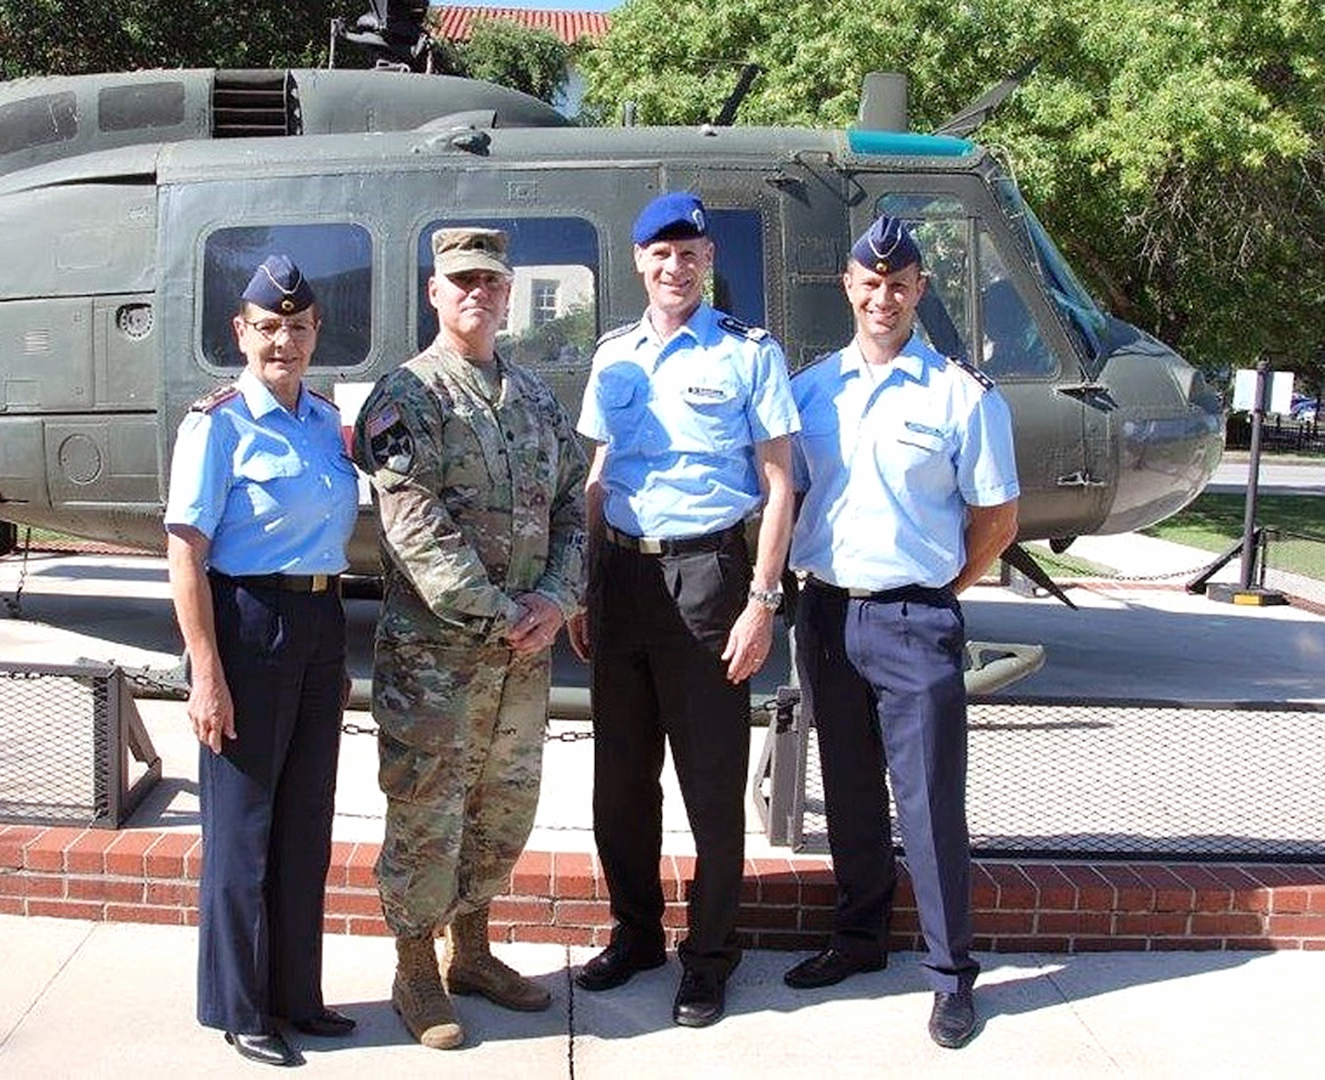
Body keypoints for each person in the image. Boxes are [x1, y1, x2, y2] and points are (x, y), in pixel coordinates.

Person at [782, 215, 1019, 1049]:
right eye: (870, 282)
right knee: (847, 792)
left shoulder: (961, 395)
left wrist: (936, 588)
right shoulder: (811, 391)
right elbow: (792, 495)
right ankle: (858, 940)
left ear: (920, 291)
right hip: (825, 612)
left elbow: (997, 518)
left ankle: (953, 978)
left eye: (900, 283)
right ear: (849, 288)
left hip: (915, 618)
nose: (883, 297)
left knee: (928, 805)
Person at [567, 192, 799, 1028]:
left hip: (709, 578)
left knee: (708, 785)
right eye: (660, 255)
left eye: (690, 254)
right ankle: (636, 935)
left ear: (707, 262)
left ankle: (708, 957)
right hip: (622, 581)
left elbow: (778, 487)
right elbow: (599, 474)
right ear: (639, 262)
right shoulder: (614, 355)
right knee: (620, 784)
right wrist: (582, 587)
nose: (676, 268)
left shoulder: (749, 353)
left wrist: (763, 600)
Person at [352, 227, 587, 1050]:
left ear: (508, 291)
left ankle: (473, 949)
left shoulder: (532, 396)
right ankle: (416, 967)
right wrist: (504, 614)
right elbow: (415, 527)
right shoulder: (406, 398)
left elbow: (570, 504)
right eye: (462, 281)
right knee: (426, 810)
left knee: (504, 804)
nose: (477, 294)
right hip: (437, 662)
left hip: (521, 659)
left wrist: (557, 599)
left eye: (491, 280)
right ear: (435, 292)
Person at [164, 256, 359, 1067]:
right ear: (241, 334)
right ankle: (241, 1008)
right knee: (243, 831)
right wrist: (205, 670)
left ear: (317, 336)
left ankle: (296, 996)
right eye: (270, 327)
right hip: (248, 622)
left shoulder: (321, 419)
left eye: (299, 327)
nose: (285, 340)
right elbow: (184, 552)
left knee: (306, 824)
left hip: (319, 618)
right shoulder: (216, 425)